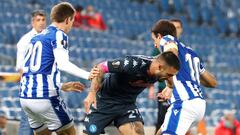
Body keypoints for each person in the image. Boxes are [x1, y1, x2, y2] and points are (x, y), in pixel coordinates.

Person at [19, 2, 96, 135]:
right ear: (67, 20)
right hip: (45, 97)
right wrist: (88, 75)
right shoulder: (59, 34)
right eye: (72, 20)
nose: (72, 25)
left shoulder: (35, 37)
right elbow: (63, 64)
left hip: (25, 97)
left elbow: (35, 71)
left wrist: (61, 86)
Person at [83, 51, 180, 135]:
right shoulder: (132, 64)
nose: (169, 77)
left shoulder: (163, 70)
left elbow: (170, 75)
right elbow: (100, 67)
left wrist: (170, 87)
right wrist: (91, 94)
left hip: (127, 105)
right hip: (103, 102)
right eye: (169, 75)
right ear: (159, 67)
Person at [150, 20, 217, 135]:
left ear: (159, 36)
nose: (155, 44)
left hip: (184, 102)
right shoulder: (191, 53)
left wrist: (170, 86)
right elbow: (212, 82)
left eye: (154, 40)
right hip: (199, 105)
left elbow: (171, 56)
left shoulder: (166, 39)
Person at [148, 18, 183, 134]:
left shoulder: (182, 47)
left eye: (178, 27)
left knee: (177, 121)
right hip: (164, 87)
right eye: (174, 27)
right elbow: (151, 65)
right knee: (162, 119)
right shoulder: (160, 46)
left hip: (179, 89)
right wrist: (151, 86)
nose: (176, 30)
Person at [16, 10, 47, 135]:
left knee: (43, 126)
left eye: (43, 20)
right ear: (32, 22)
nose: (41, 23)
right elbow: (20, 67)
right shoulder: (25, 40)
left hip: (45, 88)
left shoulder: (48, 38)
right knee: (27, 124)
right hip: (31, 89)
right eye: (38, 20)